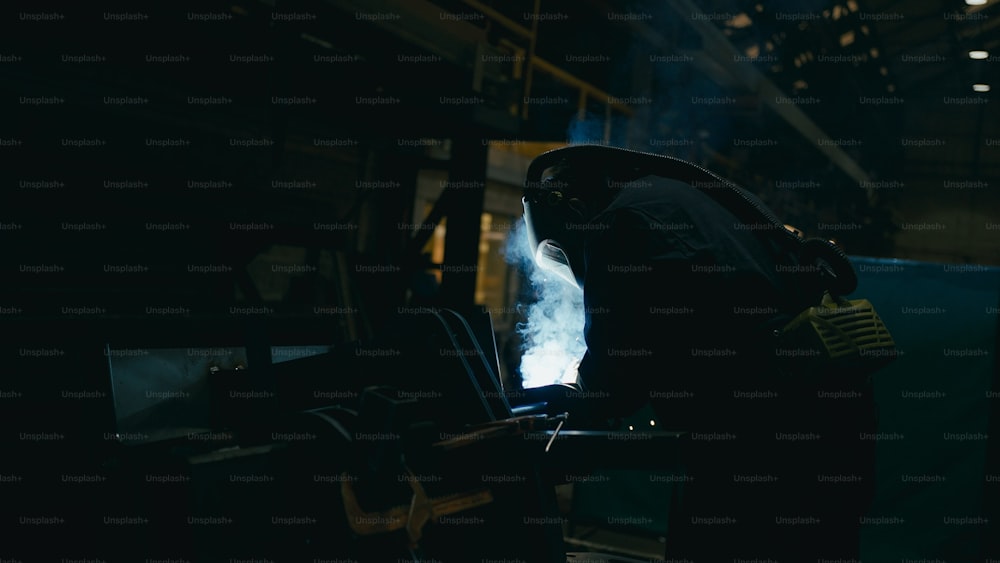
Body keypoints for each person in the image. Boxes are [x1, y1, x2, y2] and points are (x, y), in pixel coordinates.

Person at [519, 144, 893, 561]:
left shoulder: (623, 221)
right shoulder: (685, 197)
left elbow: (617, 374)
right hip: (832, 433)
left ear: (572, 209)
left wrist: (564, 408)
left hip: (766, 449)